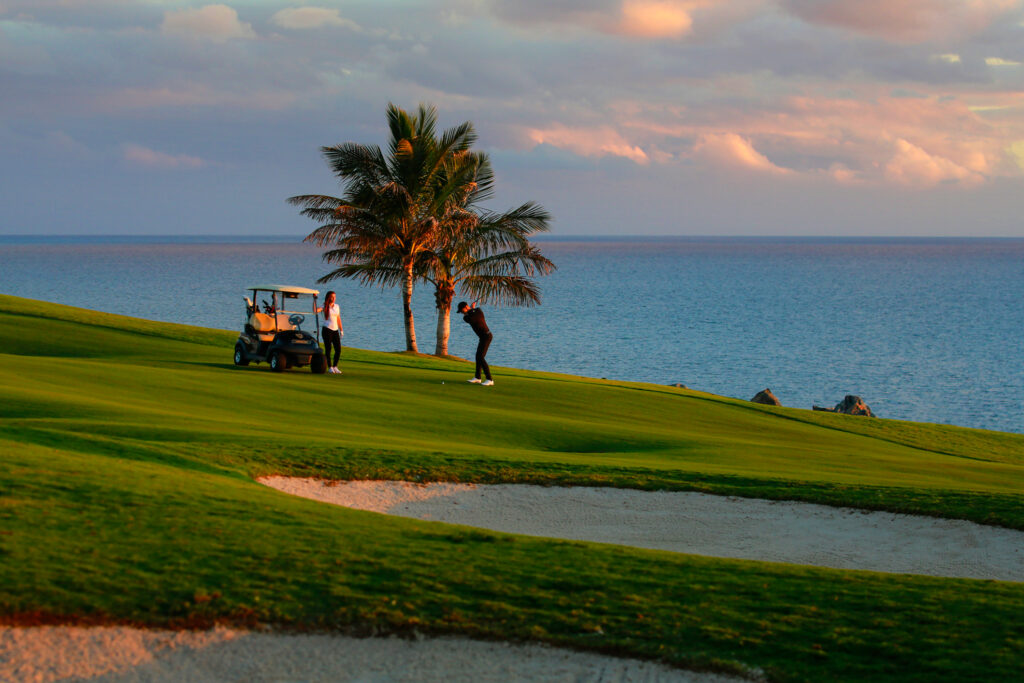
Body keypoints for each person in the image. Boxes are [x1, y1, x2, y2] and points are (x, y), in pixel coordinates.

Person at [457, 300, 493, 386]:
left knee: (480, 357)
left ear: (466, 307)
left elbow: (472, 318)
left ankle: (489, 379)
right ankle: (478, 378)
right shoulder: (475, 312)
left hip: (487, 336)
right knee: (478, 357)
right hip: (483, 337)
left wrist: (472, 309)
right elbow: (474, 314)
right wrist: (472, 308)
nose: (462, 313)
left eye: (462, 311)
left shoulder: (470, 315)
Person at [317, 290, 344, 374]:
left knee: (338, 349)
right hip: (327, 329)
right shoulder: (325, 306)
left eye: (335, 297)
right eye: (332, 297)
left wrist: (341, 330)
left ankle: (335, 366)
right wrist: (315, 299)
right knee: (328, 349)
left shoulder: (337, 306)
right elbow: (315, 310)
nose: (333, 298)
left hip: (335, 330)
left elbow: (338, 318)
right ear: (328, 297)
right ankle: (330, 367)